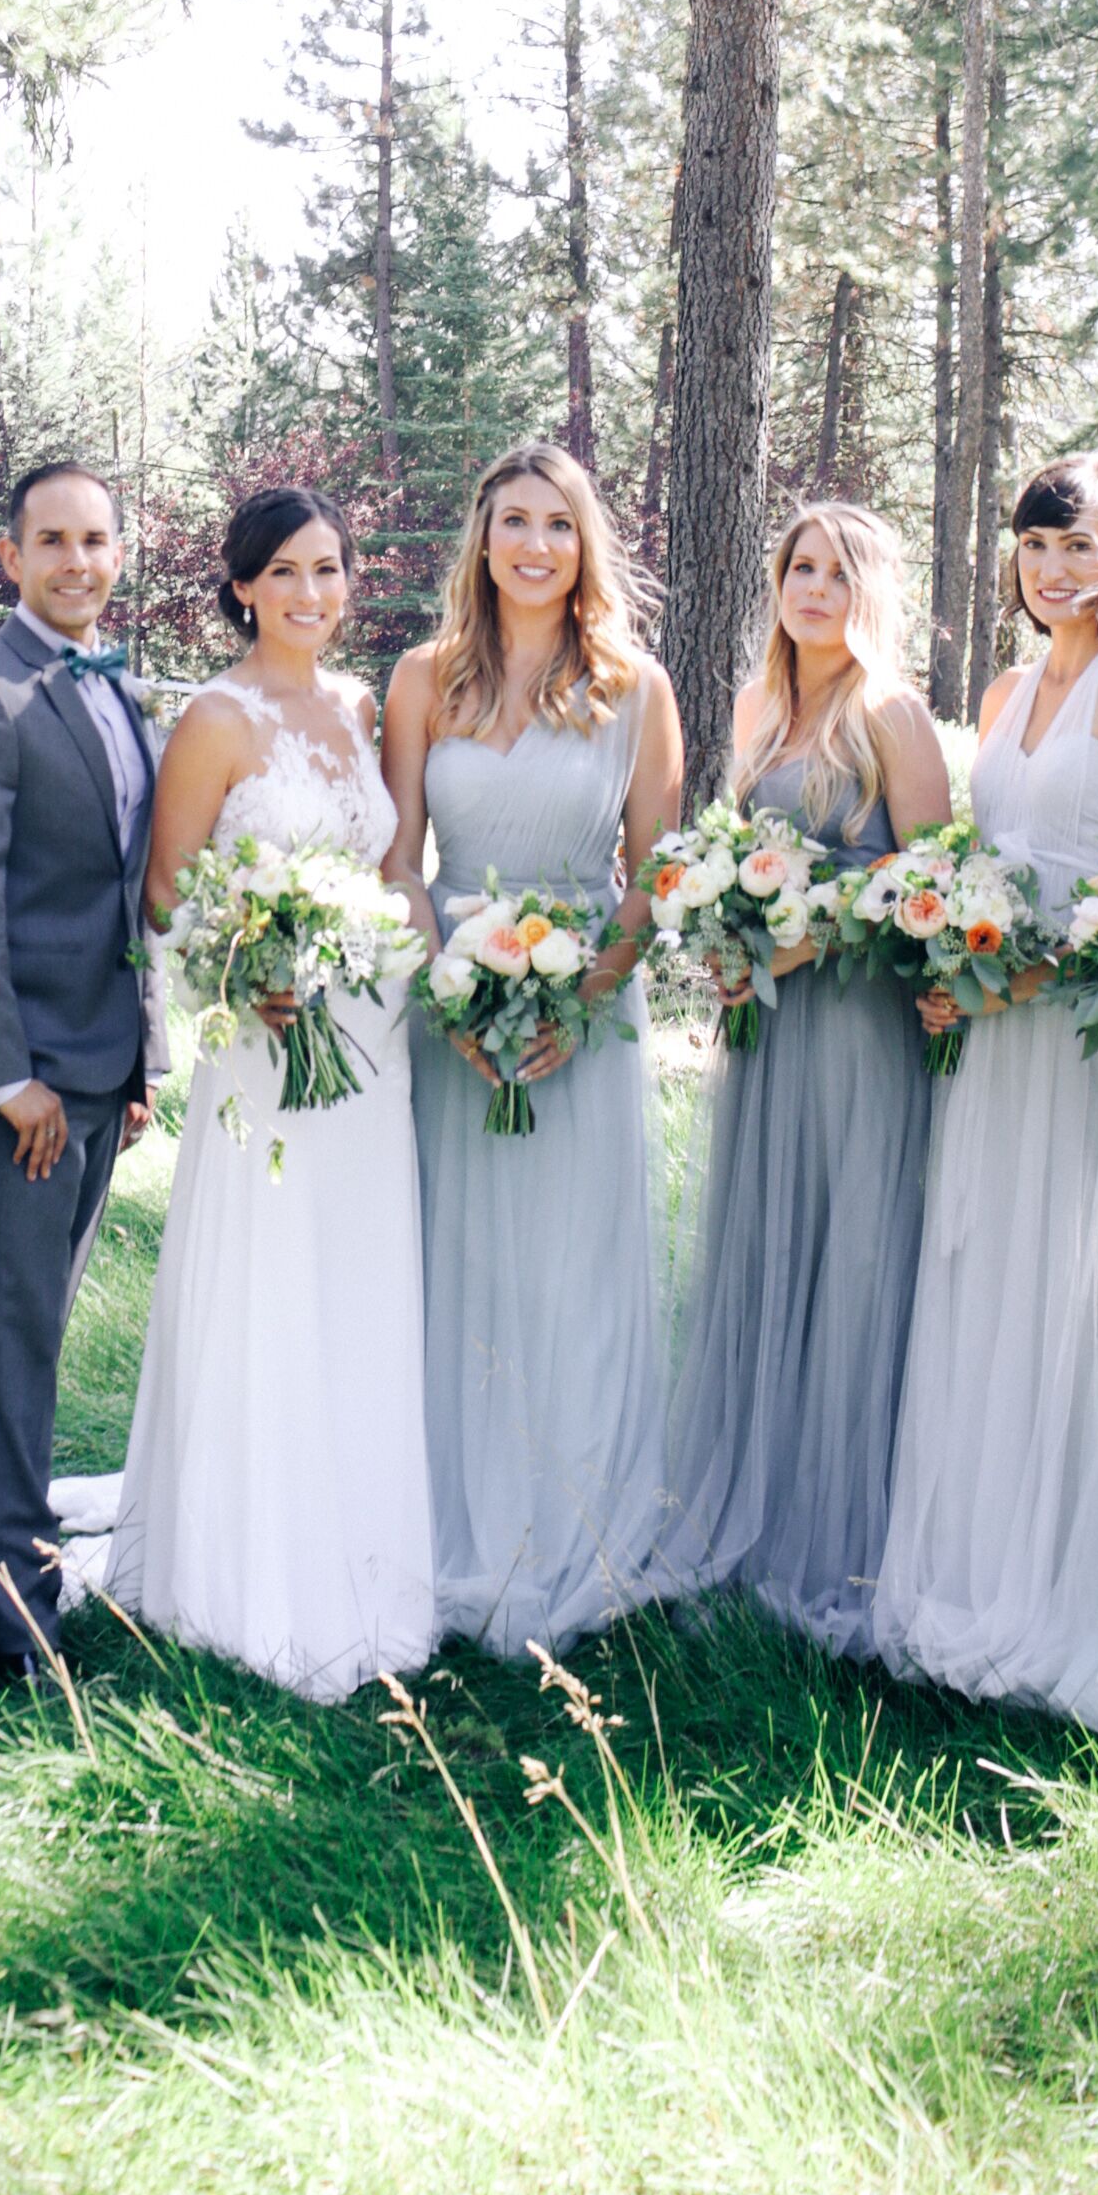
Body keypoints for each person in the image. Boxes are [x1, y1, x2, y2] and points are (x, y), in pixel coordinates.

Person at [874, 450, 1098, 1720]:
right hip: (988, 1036)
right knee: (982, 1283)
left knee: (1068, 1297)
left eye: (1079, 546)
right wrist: (950, 953)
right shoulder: (1008, 689)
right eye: (1035, 546)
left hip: (1075, 1044)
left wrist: (1031, 976)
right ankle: (967, 1578)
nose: (1055, 569)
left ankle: (1065, 1599)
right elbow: (979, 854)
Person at [107, 487, 439, 1697]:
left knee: (357, 1283)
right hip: (269, 1037)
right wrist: (247, 973)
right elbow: (164, 893)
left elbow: (393, 864)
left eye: (331, 569)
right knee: (275, 1279)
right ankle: (246, 1571)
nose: (313, 593)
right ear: (242, 586)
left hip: (372, 1040)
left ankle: (362, 1547)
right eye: (286, 573)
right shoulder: (218, 717)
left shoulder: (359, 709)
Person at [382, 443, 683, 1658]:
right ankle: (445, 1510)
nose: (535, 546)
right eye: (514, 521)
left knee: (573, 1270)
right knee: (453, 1258)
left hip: (582, 1017)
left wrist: (579, 998)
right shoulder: (421, 678)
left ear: (584, 546)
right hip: (447, 1009)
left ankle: (573, 1521)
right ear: (483, 538)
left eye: (559, 526)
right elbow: (401, 859)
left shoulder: (635, 688)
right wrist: (446, 990)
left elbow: (652, 872)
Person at [660, 500, 950, 1648]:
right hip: (770, 1026)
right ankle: (762, 1506)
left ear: (869, 592)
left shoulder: (893, 716)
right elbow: (738, 861)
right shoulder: (759, 709)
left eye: (838, 571)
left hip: (859, 1023)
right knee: (769, 1247)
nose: (814, 587)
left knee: (857, 1253)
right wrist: (733, 942)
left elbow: (924, 886)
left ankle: (849, 1539)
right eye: (798, 567)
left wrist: (804, 934)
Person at [0, 459, 162, 1682]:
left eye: (95, 539)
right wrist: (11, 1080)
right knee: (15, 1331)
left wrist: (141, 1057)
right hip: (20, 1081)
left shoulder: (117, 690)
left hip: (100, 1068)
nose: (76, 561)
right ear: (9, 558)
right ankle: (13, 1608)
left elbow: (123, 888)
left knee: (25, 1322)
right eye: (51, 541)